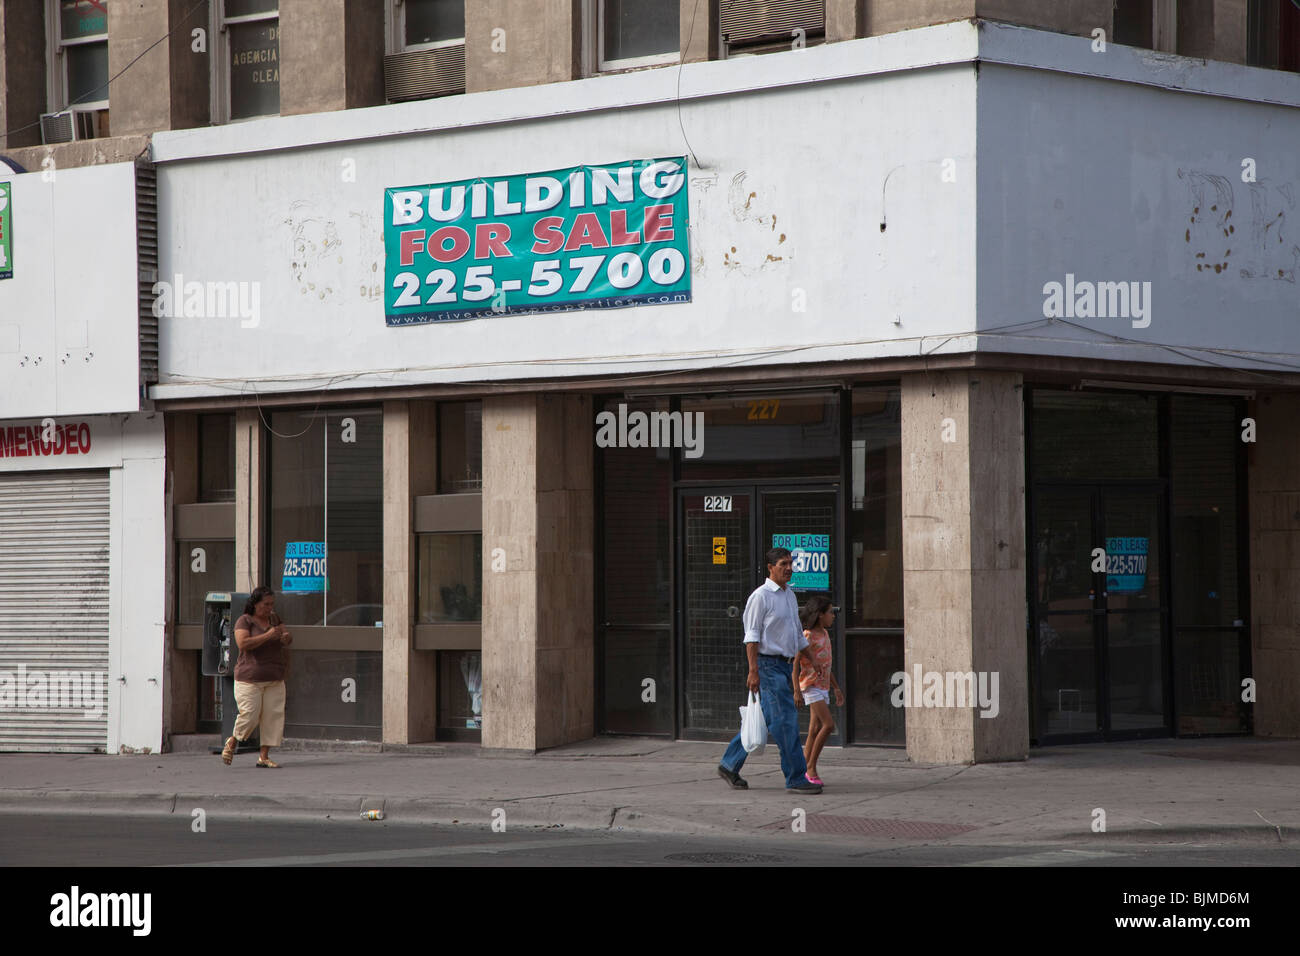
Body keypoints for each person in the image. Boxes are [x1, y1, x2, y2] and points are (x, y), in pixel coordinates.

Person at [718, 548, 823, 794]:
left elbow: (797, 634)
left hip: (784, 667)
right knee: (785, 721)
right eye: (783, 564)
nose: (788, 568)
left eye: (790, 563)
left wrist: (812, 659)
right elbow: (752, 637)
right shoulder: (761, 597)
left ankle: (728, 764)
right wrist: (753, 671)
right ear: (770, 567)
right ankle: (796, 777)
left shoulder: (789, 595)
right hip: (768, 666)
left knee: (765, 718)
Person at [221, 586, 291, 768]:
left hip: (274, 676)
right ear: (255, 604)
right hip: (249, 677)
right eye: (265, 604)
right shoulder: (244, 621)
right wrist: (268, 635)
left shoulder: (274, 618)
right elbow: (243, 643)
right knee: (250, 714)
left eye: (272, 604)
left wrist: (285, 637)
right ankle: (234, 740)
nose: (269, 608)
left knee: (272, 716)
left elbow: (286, 636)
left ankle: (264, 756)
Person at [793, 596, 843, 786]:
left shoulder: (824, 634)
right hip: (811, 685)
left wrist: (836, 688)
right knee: (828, 725)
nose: (833, 616)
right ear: (820, 615)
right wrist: (796, 690)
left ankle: (803, 768)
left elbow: (826, 665)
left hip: (823, 686)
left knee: (814, 729)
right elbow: (795, 664)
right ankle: (811, 767)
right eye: (830, 612)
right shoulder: (807, 635)